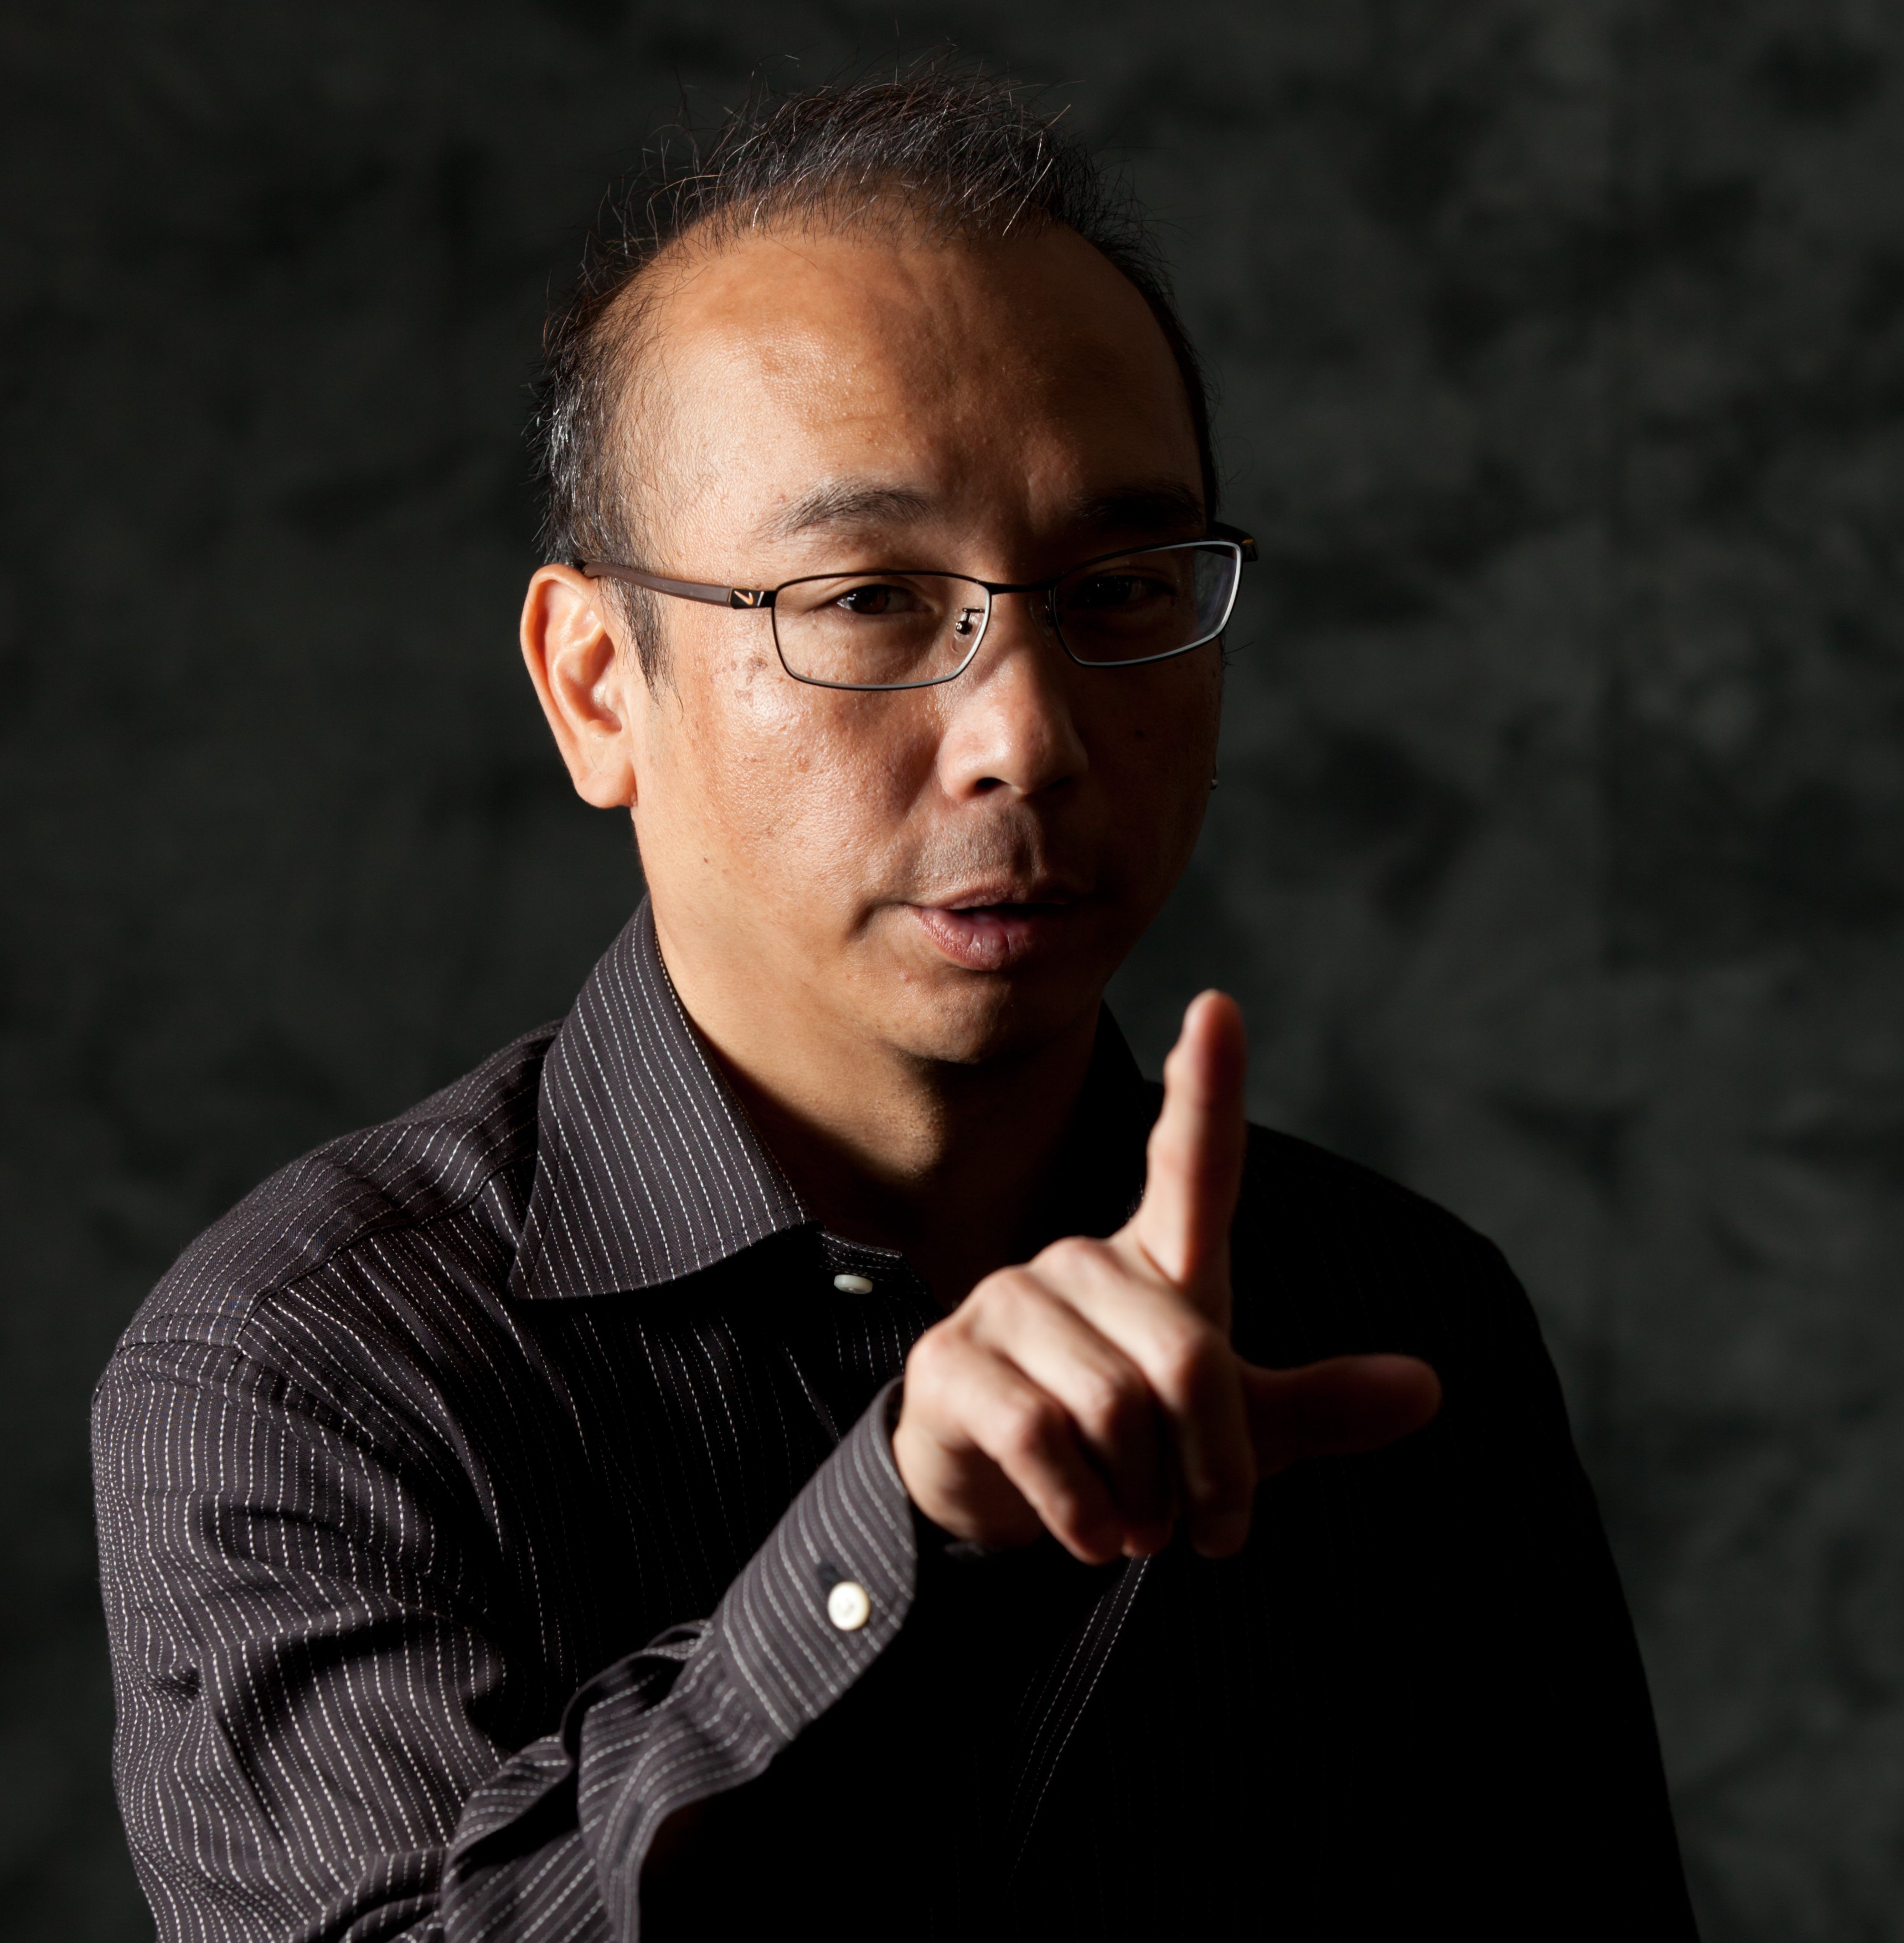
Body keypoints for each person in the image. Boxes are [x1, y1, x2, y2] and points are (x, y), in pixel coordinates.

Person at [92, 68, 1697, 1942]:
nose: (1029, 736)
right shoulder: (311, 1372)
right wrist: (896, 1545)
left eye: (1121, 587)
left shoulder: (1397, 1317)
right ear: (599, 686)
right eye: (865, 600)